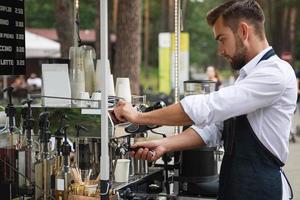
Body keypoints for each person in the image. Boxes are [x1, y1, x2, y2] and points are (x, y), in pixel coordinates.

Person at [113, 0, 296, 199]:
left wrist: (138, 117)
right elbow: (213, 129)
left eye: (222, 39)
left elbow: (209, 107)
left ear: (243, 31)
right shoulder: (247, 77)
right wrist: (165, 145)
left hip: (262, 190)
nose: (221, 50)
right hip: (234, 188)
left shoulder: (275, 73)